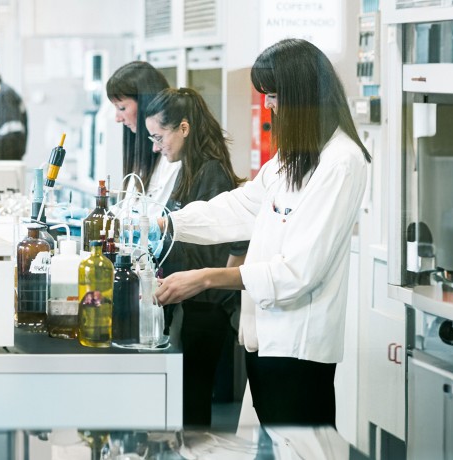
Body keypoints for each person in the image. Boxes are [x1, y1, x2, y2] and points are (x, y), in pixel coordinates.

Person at [154, 39, 371, 426]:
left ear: (302, 95)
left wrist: (207, 278)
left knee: (300, 449)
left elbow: (297, 272)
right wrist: (168, 223)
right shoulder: (294, 157)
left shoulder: (341, 163)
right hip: (264, 340)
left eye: (273, 95)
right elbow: (240, 207)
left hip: (298, 349)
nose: (268, 105)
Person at [142, 87, 248, 427]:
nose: (156, 147)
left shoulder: (211, 172)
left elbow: (237, 238)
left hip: (205, 306)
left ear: (184, 128)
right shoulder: (190, 169)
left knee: (193, 403)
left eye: (159, 137)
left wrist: (222, 294)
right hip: (191, 298)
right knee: (185, 398)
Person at [105, 61, 177, 212]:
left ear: (146, 102)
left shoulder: (173, 156)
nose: (118, 118)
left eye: (122, 108)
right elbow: (131, 210)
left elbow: (157, 217)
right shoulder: (145, 156)